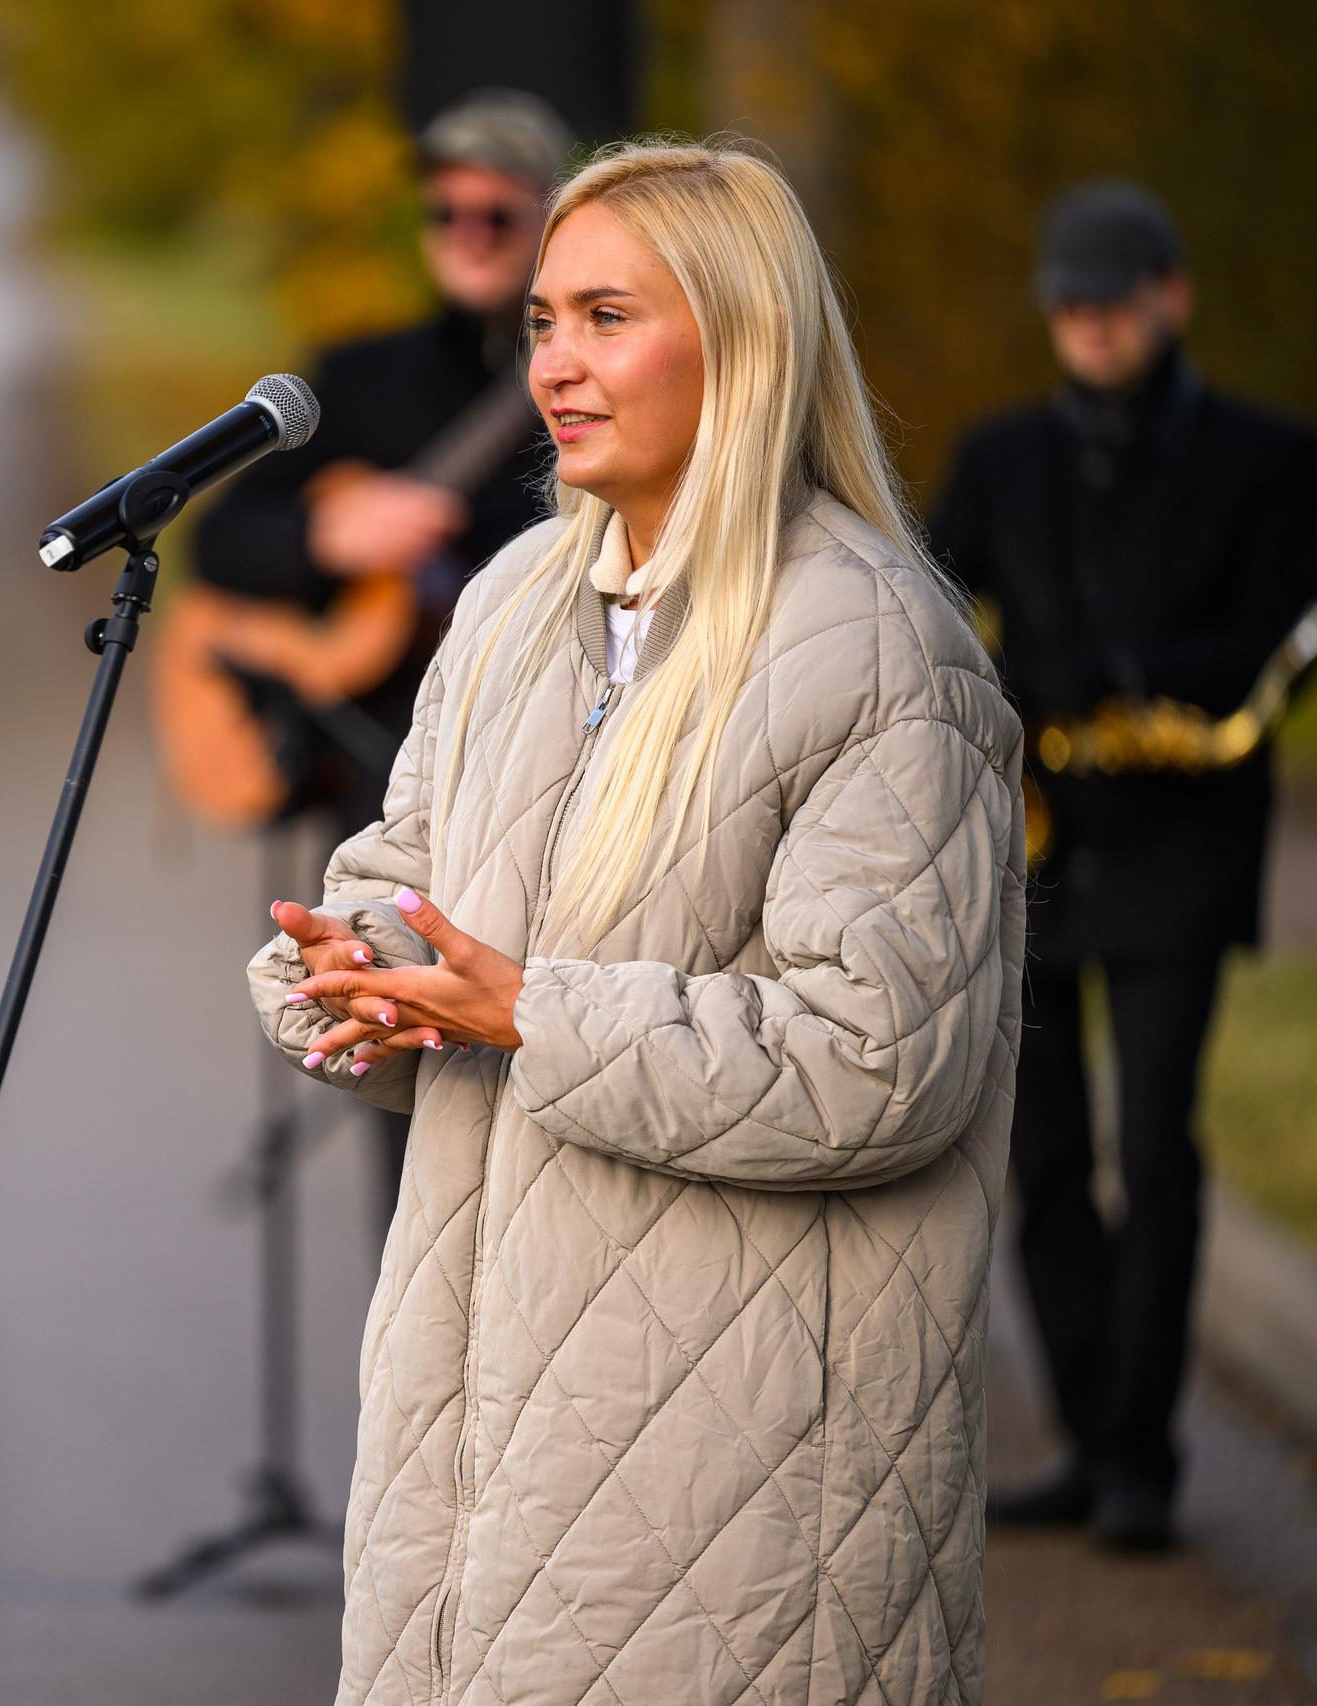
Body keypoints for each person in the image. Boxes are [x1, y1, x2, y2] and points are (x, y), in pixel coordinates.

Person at [253, 142, 1023, 1703]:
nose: (554, 365)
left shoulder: (878, 646)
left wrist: (529, 1009)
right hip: (476, 1444)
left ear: (741, 336)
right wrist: (353, 969)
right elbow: (407, 867)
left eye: (606, 316)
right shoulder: (518, 596)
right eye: (542, 320)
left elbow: (877, 1058)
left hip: (738, 1486)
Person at [929, 182, 1317, 1551]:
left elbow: (1292, 631)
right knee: (1041, 1150)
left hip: (1185, 845)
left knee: (1153, 1145)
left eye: (1111, 298)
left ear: (1174, 296)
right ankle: (1097, 1437)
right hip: (1038, 842)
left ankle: (1146, 1456)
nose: (1087, 323)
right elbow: (928, 598)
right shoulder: (1001, 456)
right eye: (1068, 302)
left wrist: (1126, 679)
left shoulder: (1267, 456)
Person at [187, 88, 570, 1233]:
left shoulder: (581, 385)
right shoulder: (358, 381)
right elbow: (218, 540)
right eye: (444, 214)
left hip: (552, 798)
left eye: (495, 218)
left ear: (553, 222)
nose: (465, 235)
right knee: (407, 1168)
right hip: (384, 791)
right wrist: (328, 536)